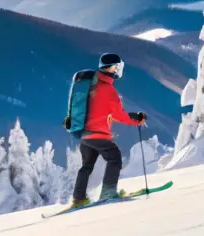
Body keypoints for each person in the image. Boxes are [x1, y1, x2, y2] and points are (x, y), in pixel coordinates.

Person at [63, 53, 147, 208]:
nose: (118, 70)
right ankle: (108, 192)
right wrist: (136, 120)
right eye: (117, 66)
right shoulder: (107, 88)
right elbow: (119, 115)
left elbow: (100, 112)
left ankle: (78, 198)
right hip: (98, 134)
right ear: (111, 68)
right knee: (114, 158)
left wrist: (129, 116)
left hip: (84, 133)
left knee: (87, 166)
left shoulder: (92, 84)